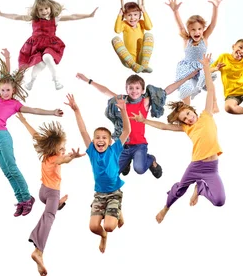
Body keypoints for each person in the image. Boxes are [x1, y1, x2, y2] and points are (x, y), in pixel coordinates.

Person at [130, 53, 224, 224]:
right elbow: (165, 127)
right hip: (197, 165)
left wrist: (206, 69)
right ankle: (165, 208)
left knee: (219, 201)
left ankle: (201, 188)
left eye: (188, 114)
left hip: (212, 167)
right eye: (185, 119)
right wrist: (144, 120)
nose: (188, 119)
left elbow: (210, 89)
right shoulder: (186, 128)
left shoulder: (207, 114)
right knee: (181, 188)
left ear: (192, 110)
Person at [75, 70, 198, 178]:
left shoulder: (145, 102)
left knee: (139, 169)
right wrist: (88, 80)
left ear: (143, 90)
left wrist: (188, 77)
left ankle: (151, 160)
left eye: (137, 88)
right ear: (126, 89)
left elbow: (167, 90)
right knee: (113, 171)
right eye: (131, 88)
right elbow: (105, 91)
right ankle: (126, 162)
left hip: (139, 144)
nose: (134, 91)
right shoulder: (121, 101)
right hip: (123, 145)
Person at [0, 52, 64, 217]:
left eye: (8, 90)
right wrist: (7, 58)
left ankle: (27, 198)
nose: (5, 92)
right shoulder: (0, 99)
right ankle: (21, 200)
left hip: (2, 137)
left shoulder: (14, 104)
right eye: (3, 90)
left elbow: (34, 110)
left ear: (13, 91)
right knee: (6, 171)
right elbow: (6, 75)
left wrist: (53, 112)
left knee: (12, 168)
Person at [16, 113, 84, 276]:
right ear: (54, 149)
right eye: (61, 149)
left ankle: (57, 204)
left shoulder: (47, 154)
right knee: (49, 217)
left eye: (64, 148)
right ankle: (39, 251)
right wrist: (72, 157)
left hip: (43, 192)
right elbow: (63, 160)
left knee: (49, 212)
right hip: (52, 194)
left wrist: (24, 121)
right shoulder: (56, 158)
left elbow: (34, 135)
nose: (64, 150)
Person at [65, 93, 128, 253]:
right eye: (97, 138)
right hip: (99, 194)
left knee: (109, 226)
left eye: (104, 138)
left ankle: (117, 211)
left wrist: (124, 110)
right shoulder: (92, 151)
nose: (100, 140)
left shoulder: (115, 150)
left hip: (114, 193)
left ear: (110, 141)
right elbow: (83, 131)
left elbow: (127, 130)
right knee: (93, 227)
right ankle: (103, 237)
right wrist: (76, 110)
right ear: (93, 142)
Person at [0, 0, 98, 90]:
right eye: (40, 9)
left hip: (50, 46)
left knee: (47, 57)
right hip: (35, 47)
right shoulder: (34, 19)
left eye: (46, 8)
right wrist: (1, 14)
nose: (44, 11)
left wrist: (89, 15)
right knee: (39, 65)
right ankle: (31, 81)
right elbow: (16, 16)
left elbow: (73, 16)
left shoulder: (55, 19)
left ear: (50, 7)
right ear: (36, 11)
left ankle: (56, 80)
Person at [166, 0, 223, 107]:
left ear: (203, 29)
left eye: (199, 29)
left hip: (202, 65)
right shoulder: (187, 40)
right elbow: (181, 26)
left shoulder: (204, 38)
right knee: (186, 87)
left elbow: (212, 25)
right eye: (193, 30)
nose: (196, 32)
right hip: (188, 68)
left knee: (209, 82)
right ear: (189, 30)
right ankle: (187, 108)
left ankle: (215, 104)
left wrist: (215, 8)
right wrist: (175, 11)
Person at [112, 0, 153, 73]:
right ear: (125, 16)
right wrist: (119, 15)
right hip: (128, 60)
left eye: (135, 14)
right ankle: (134, 65)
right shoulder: (124, 24)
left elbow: (149, 27)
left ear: (139, 15)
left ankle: (144, 65)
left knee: (149, 35)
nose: (133, 18)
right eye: (129, 15)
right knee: (115, 39)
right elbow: (117, 30)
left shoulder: (141, 23)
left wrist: (144, 11)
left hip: (141, 59)